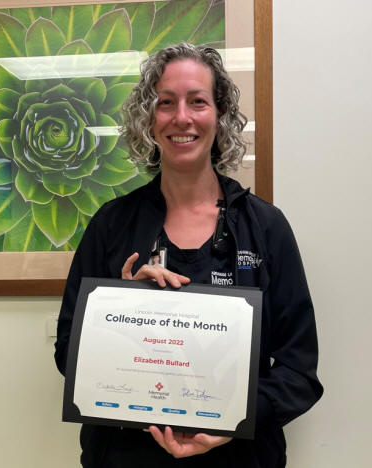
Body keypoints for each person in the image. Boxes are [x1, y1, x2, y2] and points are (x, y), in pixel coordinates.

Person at [55, 42, 323, 468]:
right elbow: (68, 352)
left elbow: (298, 370)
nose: (182, 117)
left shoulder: (266, 228)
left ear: (220, 114)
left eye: (197, 101)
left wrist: (233, 419)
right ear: (148, 117)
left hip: (239, 458)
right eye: (166, 103)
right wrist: (119, 309)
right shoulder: (111, 224)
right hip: (126, 456)